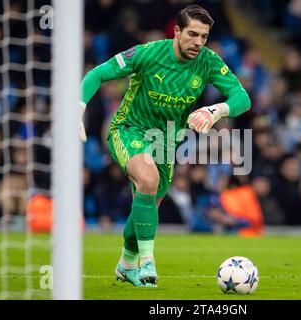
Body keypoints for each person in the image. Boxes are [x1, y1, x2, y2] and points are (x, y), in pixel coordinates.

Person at [79, 5, 251, 287]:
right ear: (177, 31)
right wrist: (79, 104)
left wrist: (215, 111)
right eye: (193, 34)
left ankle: (125, 264)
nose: (198, 42)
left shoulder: (208, 61)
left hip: (166, 142)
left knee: (146, 206)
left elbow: (242, 97)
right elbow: (98, 73)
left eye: (204, 37)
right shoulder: (148, 53)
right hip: (128, 129)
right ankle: (147, 262)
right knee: (148, 178)